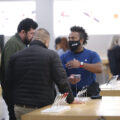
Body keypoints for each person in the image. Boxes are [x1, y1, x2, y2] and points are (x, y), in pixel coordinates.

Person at [3, 28, 74, 120]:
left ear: (33, 39)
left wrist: (12, 105)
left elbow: (8, 84)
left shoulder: (15, 56)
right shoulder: (51, 55)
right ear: (46, 41)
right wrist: (71, 100)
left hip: (19, 108)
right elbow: (62, 82)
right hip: (42, 108)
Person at [0, 18, 38, 120]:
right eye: (31, 33)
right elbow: (9, 70)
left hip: (18, 93)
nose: (32, 37)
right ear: (22, 32)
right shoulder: (13, 44)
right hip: (13, 93)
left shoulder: (21, 44)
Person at [61, 26, 102, 96]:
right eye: (69, 38)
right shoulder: (64, 57)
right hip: (72, 96)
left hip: (90, 94)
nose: (70, 40)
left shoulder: (92, 54)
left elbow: (99, 69)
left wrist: (81, 64)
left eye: (73, 38)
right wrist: (68, 79)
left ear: (81, 40)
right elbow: (60, 77)